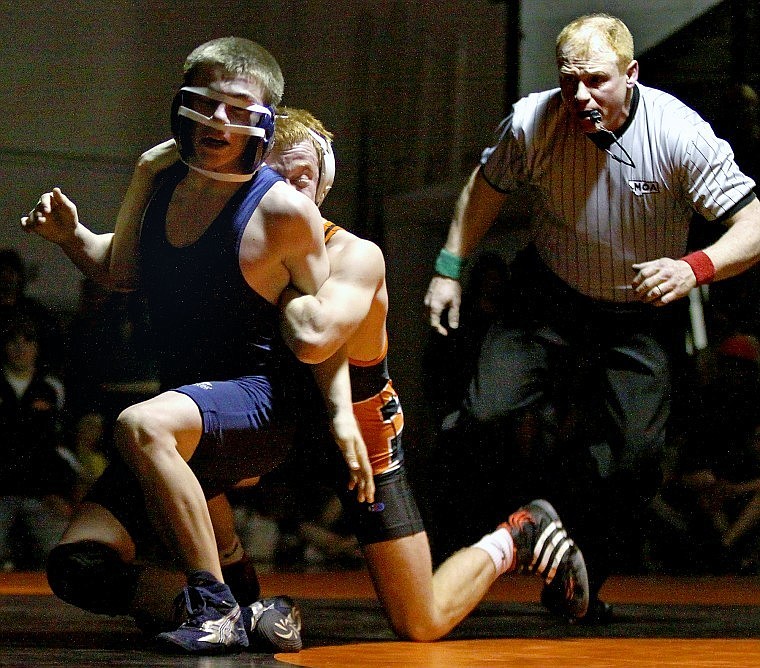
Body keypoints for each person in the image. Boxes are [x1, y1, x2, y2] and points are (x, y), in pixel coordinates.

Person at [20, 37, 366, 655]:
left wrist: (340, 416)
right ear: (182, 104)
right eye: (207, 105)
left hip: (262, 407)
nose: (219, 123)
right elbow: (119, 269)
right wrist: (72, 236)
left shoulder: (284, 211)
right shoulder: (156, 176)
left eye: (238, 109)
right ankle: (253, 607)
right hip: (186, 405)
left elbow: (322, 329)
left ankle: (213, 606)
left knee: (142, 426)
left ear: (263, 122)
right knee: (79, 566)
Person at [424, 12, 760, 622]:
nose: (580, 96)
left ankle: (580, 579)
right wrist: (450, 265)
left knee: (635, 457)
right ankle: (453, 562)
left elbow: (755, 224)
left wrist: (695, 267)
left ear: (632, 75)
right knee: (479, 417)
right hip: (549, 292)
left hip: (639, 310)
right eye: (569, 80)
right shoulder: (535, 120)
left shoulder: (680, 134)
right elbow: (486, 186)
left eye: (597, 81)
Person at [245, 106, 590, 639]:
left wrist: (283, 288)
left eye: (303, 176)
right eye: (277, 177)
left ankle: (515, 538)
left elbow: (314, 339)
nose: (291, 191)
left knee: (420, 621)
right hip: (277, 417)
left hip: (358, 435)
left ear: (324, 183)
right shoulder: (244, 247)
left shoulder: (355, 256)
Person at [0, 314, 76, 570]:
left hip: (42, 495)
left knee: (62, 557)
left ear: (37, 346)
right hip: (2, 493)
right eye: (13, 341)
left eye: (27, 341)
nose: (20, 348)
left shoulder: (51, 387)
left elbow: (59, 444)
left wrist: (60, 491)